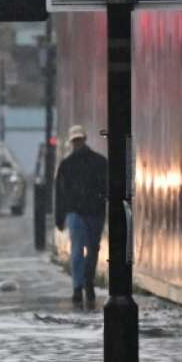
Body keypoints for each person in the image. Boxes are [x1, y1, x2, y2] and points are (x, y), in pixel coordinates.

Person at [54, 125, 107, 308]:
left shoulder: (67, 165)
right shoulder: (99, 162)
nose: (77, 143)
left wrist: (60, 217)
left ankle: (83, 285)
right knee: (85, 250)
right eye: (75, 140)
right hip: (88, 212)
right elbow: (60, 194)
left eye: (78, 140)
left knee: (85, 250)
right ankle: (83, 285)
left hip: (82, 211)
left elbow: (60, 193)